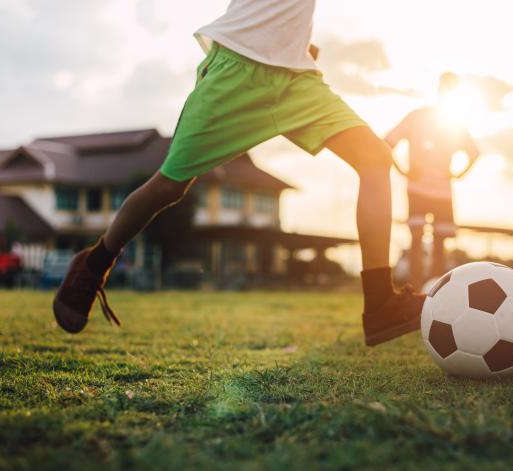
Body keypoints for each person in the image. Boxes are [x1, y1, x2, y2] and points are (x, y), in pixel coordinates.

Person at [52, 0, 425, 346]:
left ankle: (379, 303)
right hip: (236, 71)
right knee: (170, 186)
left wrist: (295, 45)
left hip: (296, 80)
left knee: (376, 159)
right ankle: (95, 262)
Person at [385, 72, 479, 287]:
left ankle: (435, 290)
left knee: (438, 243)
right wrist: (403, 170)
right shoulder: (417, 117)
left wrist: (457, 174)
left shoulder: (455, 123)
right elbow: (387, 143)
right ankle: (416, 289)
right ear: (439, 89)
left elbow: (474, 152)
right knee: (417, 241)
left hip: (442, 191)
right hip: (418, 189)